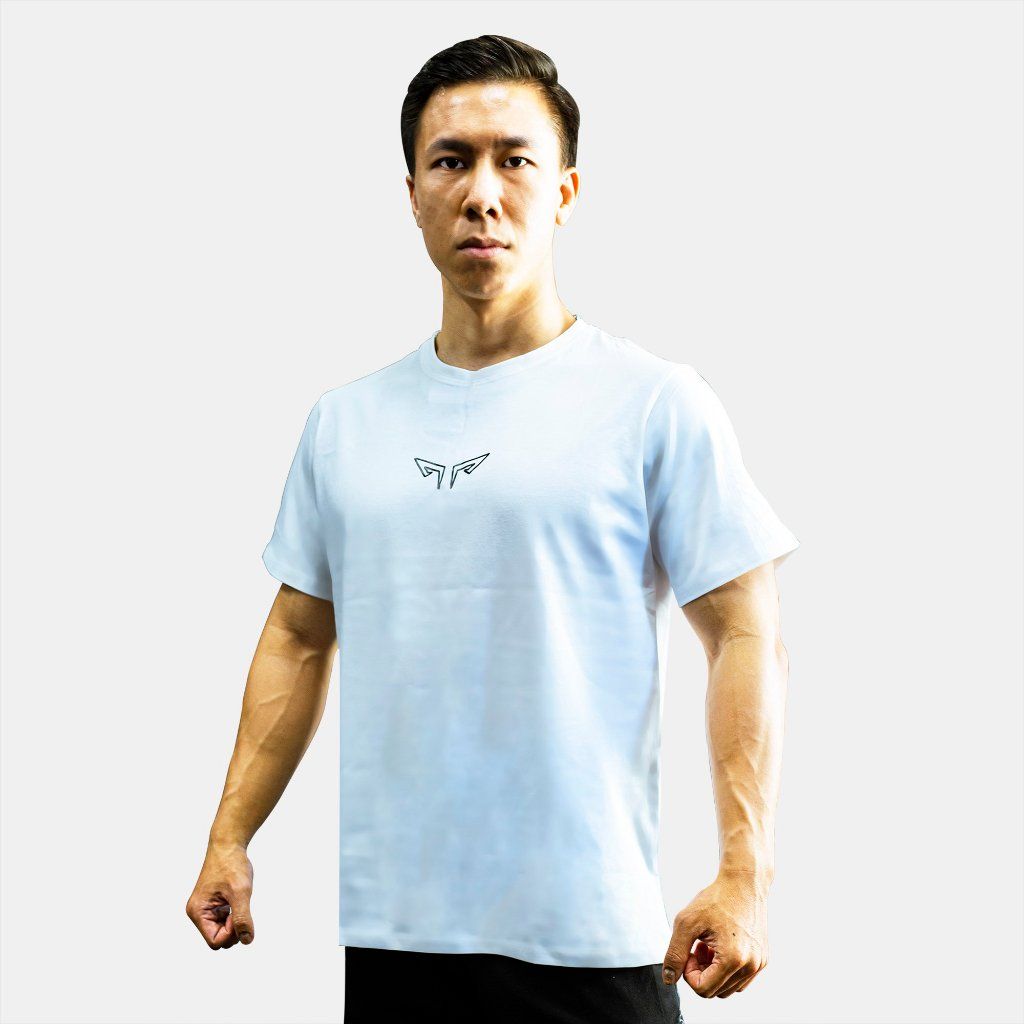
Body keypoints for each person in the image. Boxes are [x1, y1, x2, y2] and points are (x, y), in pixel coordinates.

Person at [185, 34, 799, 1024]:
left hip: (591, 942)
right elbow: (297, 634)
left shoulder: (653, 403)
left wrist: (745, 875)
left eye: (514, 159)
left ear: (564, 191)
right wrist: (229, 836)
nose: (482, 193)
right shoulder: (345, 423)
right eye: (450, 161)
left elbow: (745, 631)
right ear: (412, 193)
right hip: (396, 944)